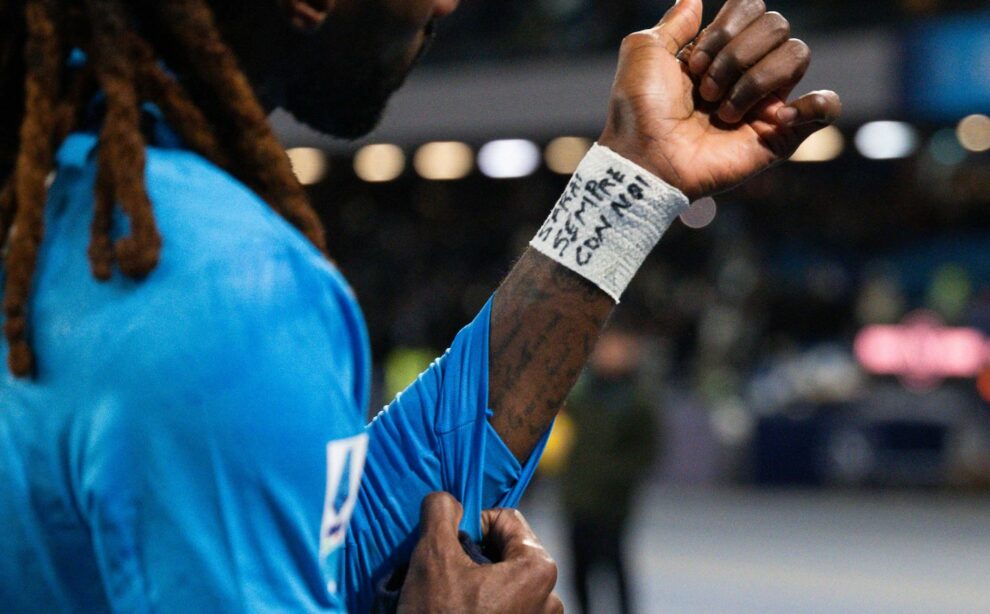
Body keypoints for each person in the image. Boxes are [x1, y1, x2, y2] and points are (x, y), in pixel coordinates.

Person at [0, 0, 841, 610]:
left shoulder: (59, 209)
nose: (448, 4)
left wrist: (631, 183)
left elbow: (348, 539)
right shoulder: (218, 287)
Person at [562, 327, 659, 614]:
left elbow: (646, 451)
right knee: (578, 566)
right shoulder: (580, 394)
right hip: (577, 496)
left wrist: (614, 475)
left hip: (613, 501)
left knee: (614, 564)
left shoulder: (637, 400)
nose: (609, 355)